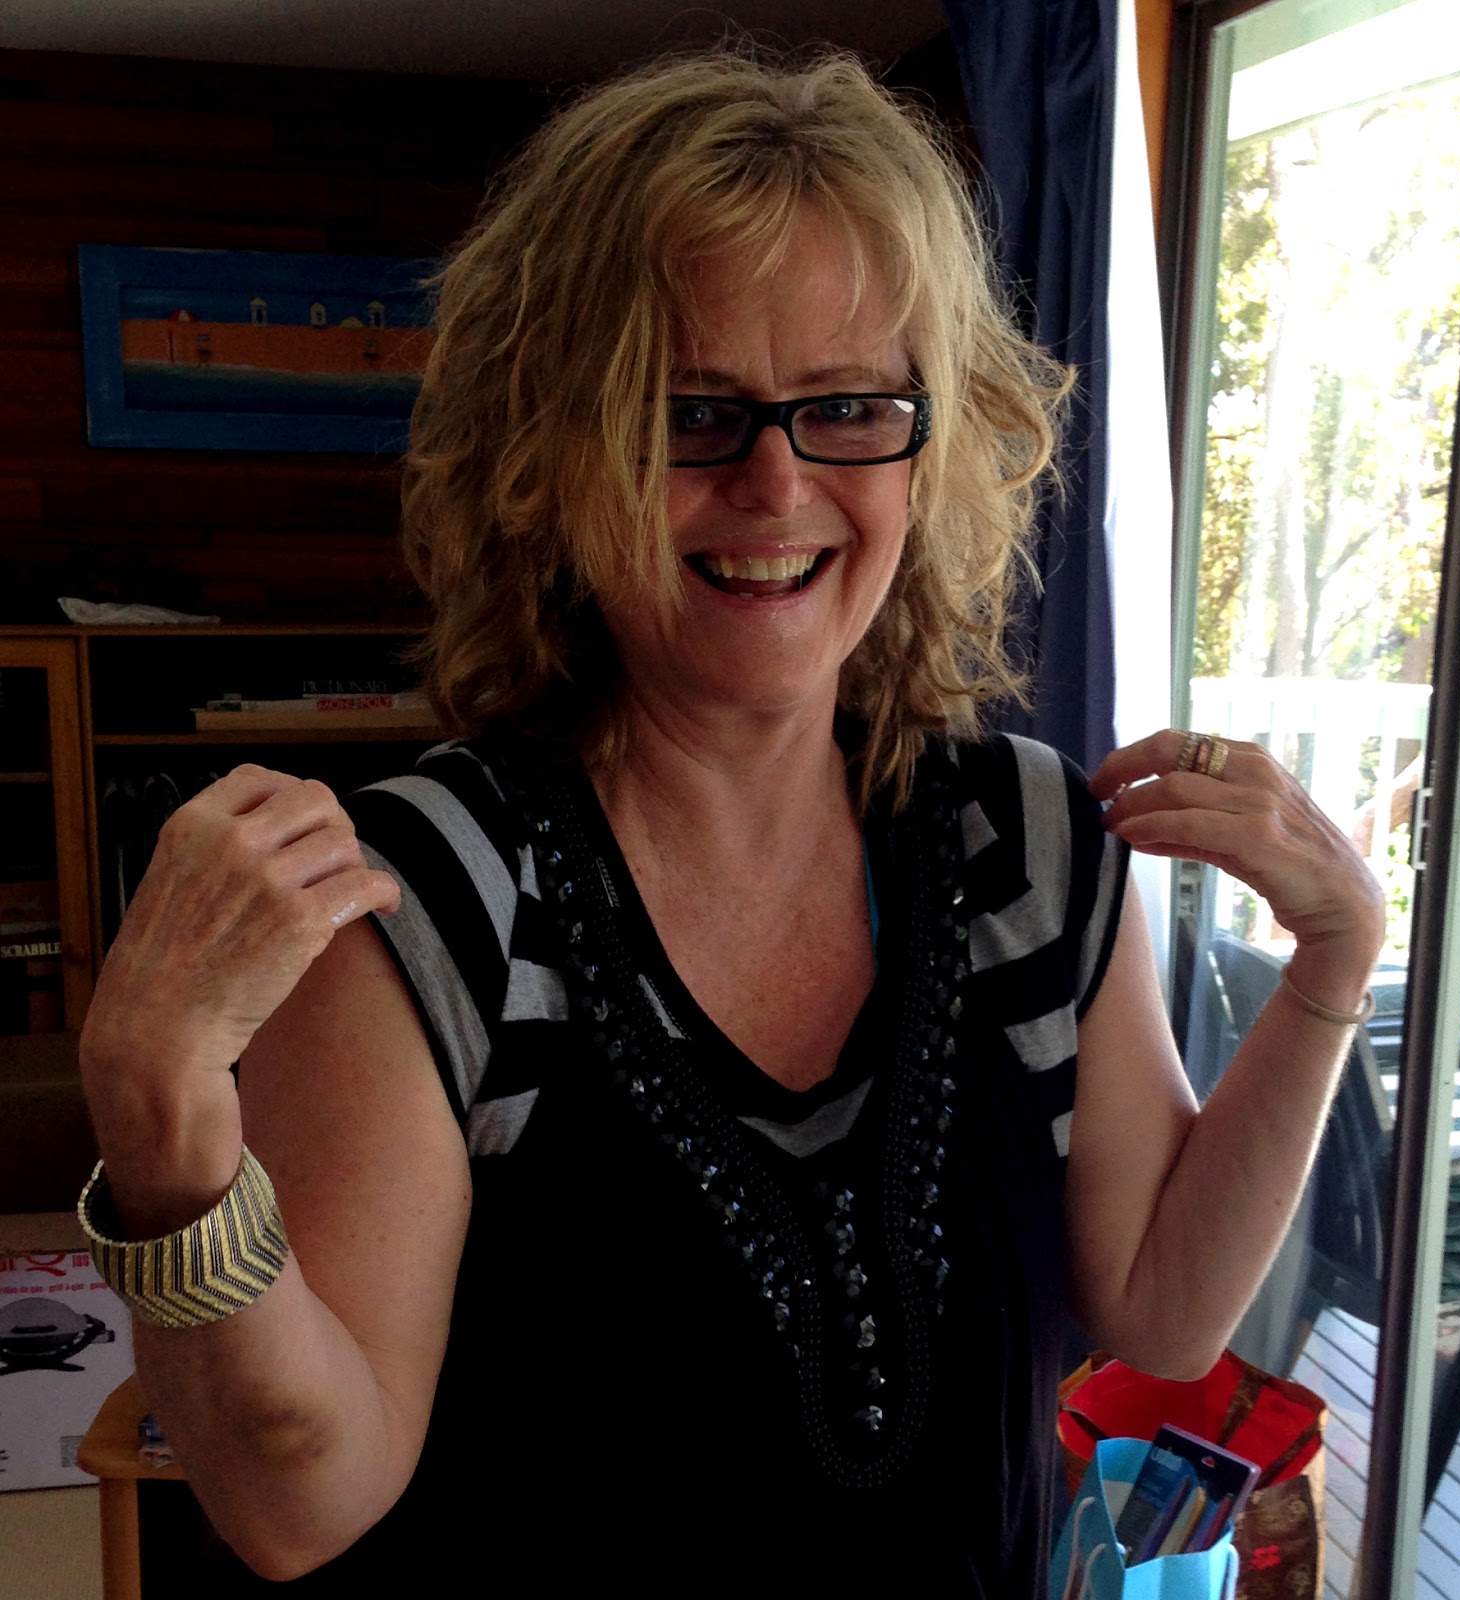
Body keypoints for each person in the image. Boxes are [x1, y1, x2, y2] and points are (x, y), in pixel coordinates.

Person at [77, 50, 1384, 1596]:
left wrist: (1331, 967)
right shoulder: (431, 894)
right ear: (551, 460)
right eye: (689, 413)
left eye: (849, 406)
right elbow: (303, 1502)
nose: (775, 481)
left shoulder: (1029, 845)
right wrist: (166, 1130)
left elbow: (1161, 1309)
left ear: (931, 446)